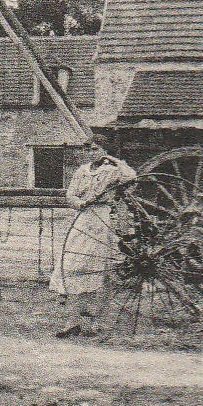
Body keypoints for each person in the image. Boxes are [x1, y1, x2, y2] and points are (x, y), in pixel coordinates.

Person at [51, 140, 137, 337]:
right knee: (71, 264)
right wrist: (80, 203)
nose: (90, 153)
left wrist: (112, 159)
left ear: (104, 151)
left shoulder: (112, 170)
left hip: (101, 220)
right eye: (87, 149)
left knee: (95, 270)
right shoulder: (82, 171)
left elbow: (131, 176)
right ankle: (72, 321)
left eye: (95, 149)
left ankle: (91, 323)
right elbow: (70, 194)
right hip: (83, 218)